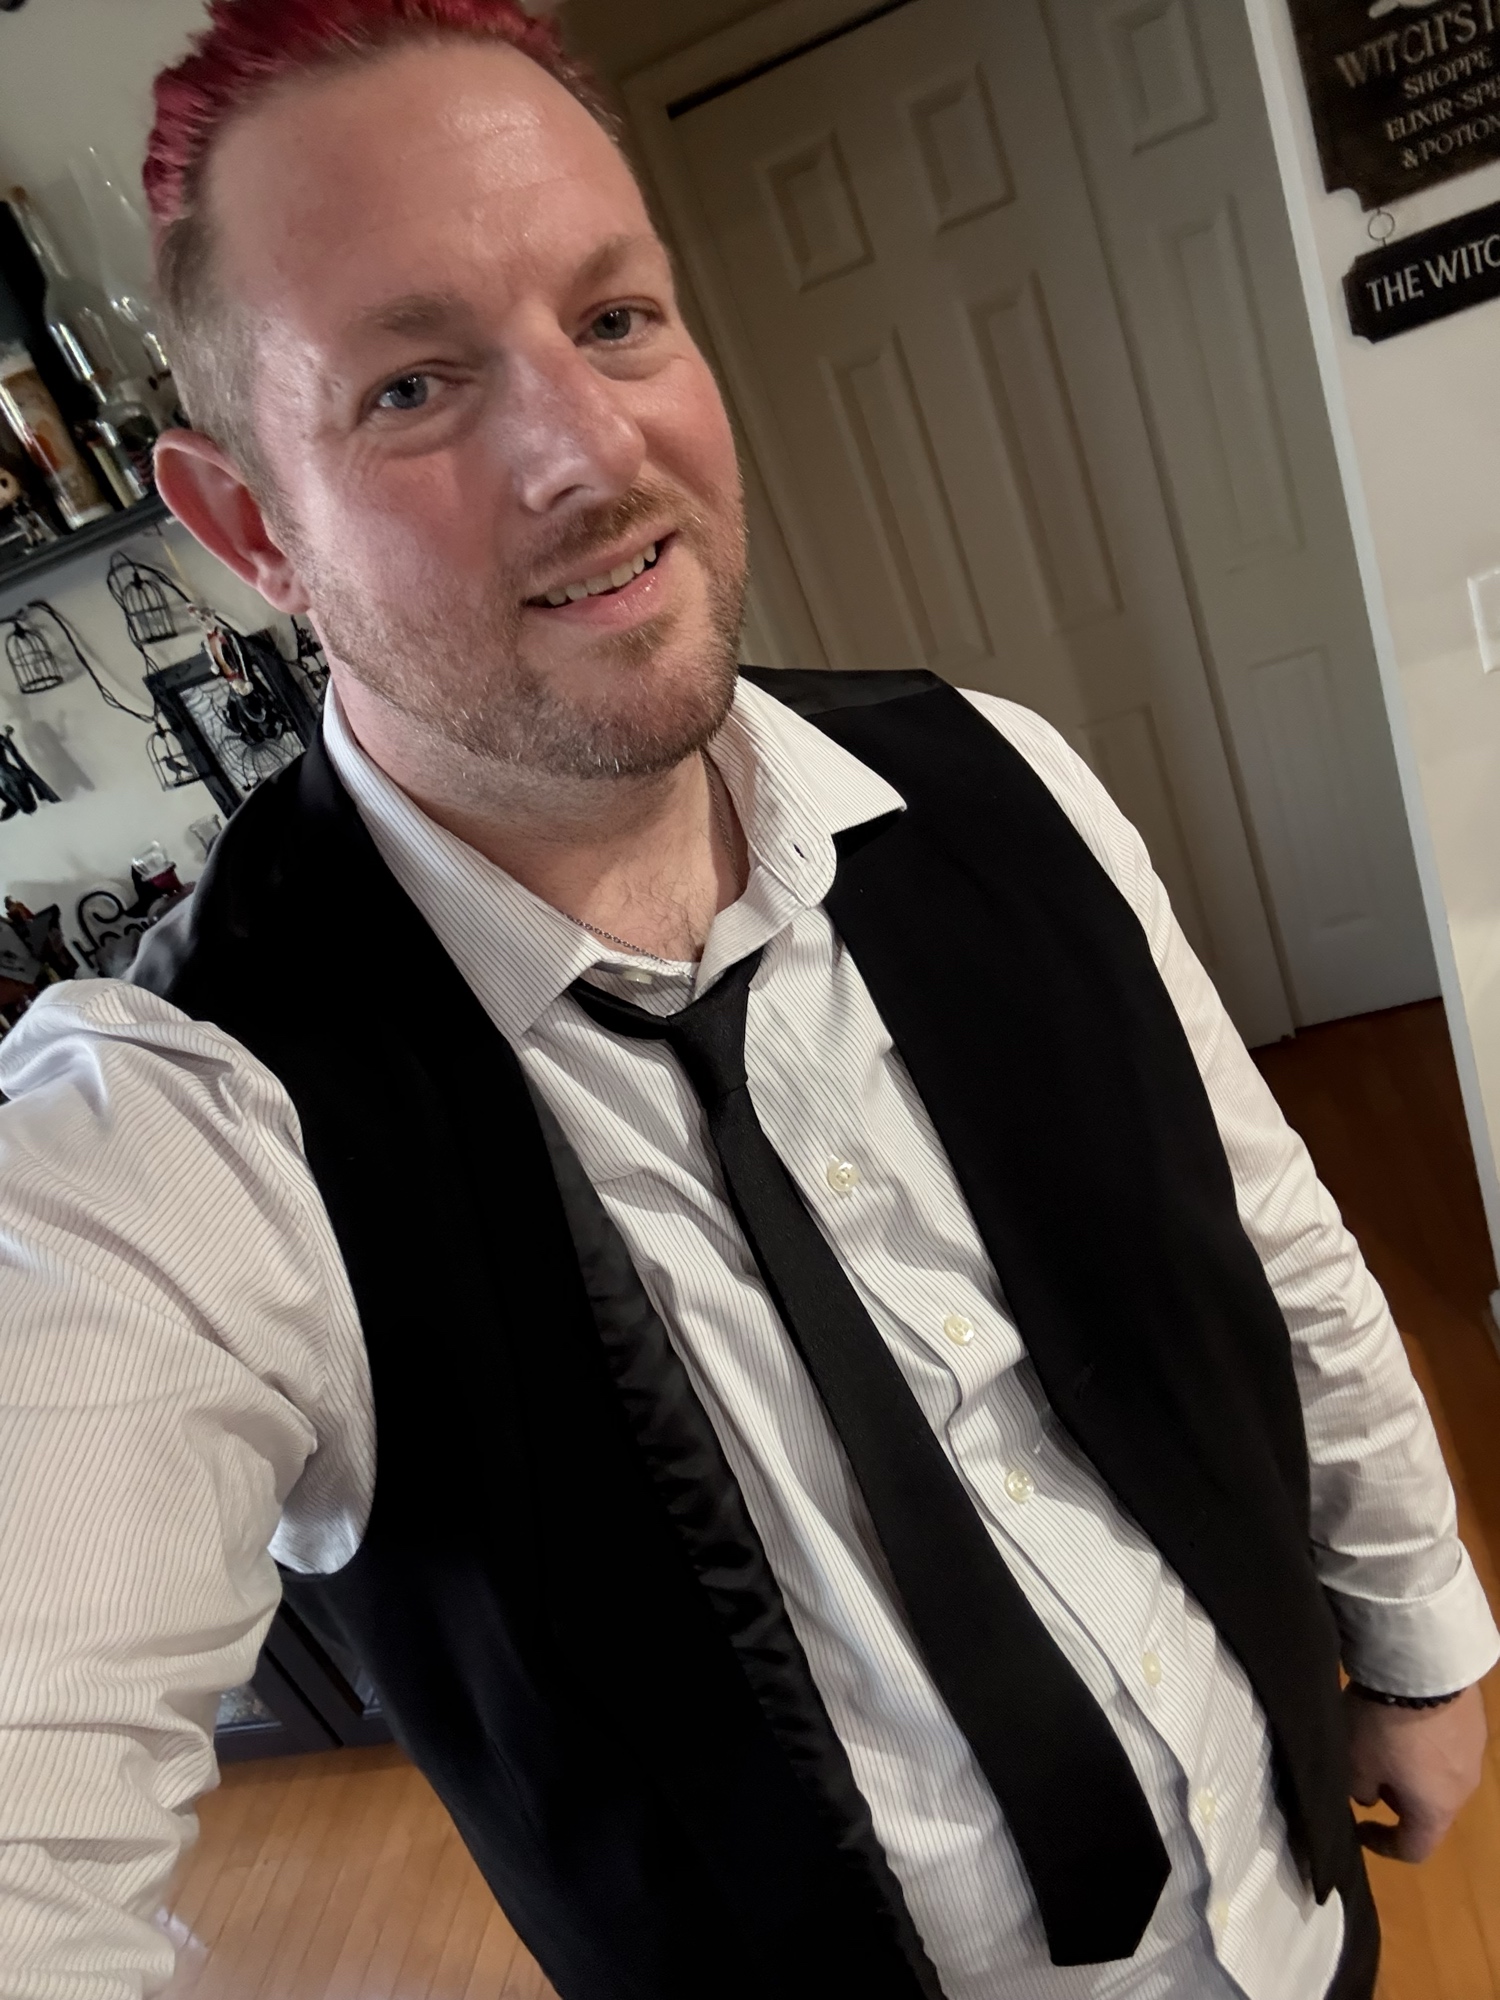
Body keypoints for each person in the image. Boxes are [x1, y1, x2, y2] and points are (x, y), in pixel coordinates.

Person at [0, 4, 1494, 1997]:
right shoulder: (186, 1127)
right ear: (250, 524)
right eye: (415, 386)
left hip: (1290, 1901)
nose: (588, 452)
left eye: (615, 319)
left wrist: (1419, 1636)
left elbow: (1262, 1232)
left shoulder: (995, 778)